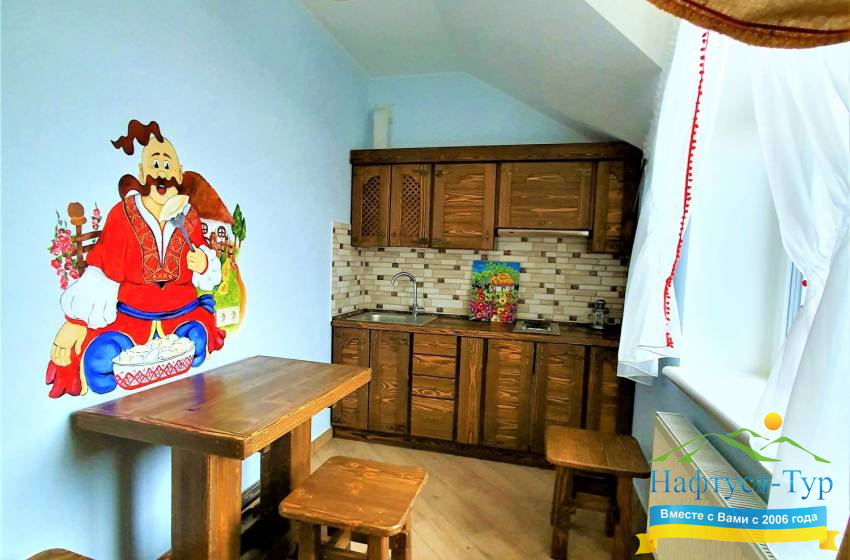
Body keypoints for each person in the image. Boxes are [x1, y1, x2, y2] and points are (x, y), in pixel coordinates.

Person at [46, 120, 225, 398]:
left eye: (167, 166)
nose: (161, 173)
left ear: (178, 172)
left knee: (198, 343)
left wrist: (203, 264)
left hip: (182, 314)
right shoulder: (122, 215)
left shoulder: (188, 216)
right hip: (132, 319)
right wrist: (76, 321)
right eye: (155, 165)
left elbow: (207, 265)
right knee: (98, 364)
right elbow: (102, 269)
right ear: (142, 172)